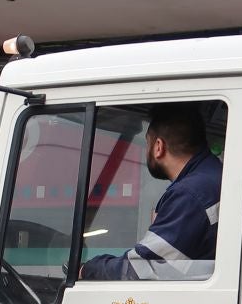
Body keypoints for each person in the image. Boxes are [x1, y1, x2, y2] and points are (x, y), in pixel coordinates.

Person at [81, 103, 223, 281]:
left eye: (147, 143)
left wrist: (87, 270)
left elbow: (140, 271)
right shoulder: (211, 177)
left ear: (158, 147)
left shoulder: (191, 194)